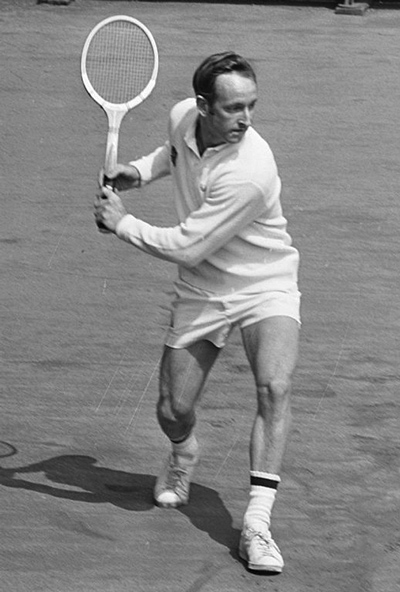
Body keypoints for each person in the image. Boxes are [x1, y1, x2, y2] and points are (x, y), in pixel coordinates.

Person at [94, 52, 300, 573]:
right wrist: (138, 172)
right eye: (234, 108)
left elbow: (186, 245)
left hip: (264, 282)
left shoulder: (252, 170)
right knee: (172, 410)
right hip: (203, 289)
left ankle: (256, 524)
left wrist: (122, 223)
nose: (246, 119)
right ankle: (184, 451)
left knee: (274, 387)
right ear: (203, 106)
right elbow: (174, 154)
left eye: (251, 106)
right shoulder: (182, 117)